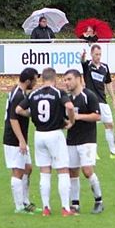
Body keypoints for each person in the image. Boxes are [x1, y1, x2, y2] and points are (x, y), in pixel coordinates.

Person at [16, 67, 76, 216]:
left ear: (42, 79)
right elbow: (69, 106)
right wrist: (71, 121)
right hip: (55, 134)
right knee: (62, 170)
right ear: (54, 79)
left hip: (39, 135)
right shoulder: (58, 93)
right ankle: (65, 208)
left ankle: (46, 208)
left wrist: (32, 115)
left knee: (44, 171)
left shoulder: (34, 94)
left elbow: (18, 110)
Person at [63, 69, 105, 214]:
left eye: (69, 79)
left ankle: (99, 200)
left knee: (87, 171)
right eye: (65, 80)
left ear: (78, 79)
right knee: (72, 172)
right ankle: (75, 204)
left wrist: (78, 117)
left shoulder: (89, 96)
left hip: (87, 139)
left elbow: (97, 116)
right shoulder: (68, 99)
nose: (66, 83)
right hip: (71, 140)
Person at [81, 44, 115, 159]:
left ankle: (113, 152)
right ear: (91, 54)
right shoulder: (88, 65)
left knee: (110, 125)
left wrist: (114, 99)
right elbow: (82, 62)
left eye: (100, 54)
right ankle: (92, 153)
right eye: (96, 54)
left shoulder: (104, 68)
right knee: (90, 127)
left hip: (102, 100)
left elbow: (108, 83)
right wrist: (82, 57)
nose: (98, 56)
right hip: (91, 101)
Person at [3, 67, 38, 214]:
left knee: (28, 168)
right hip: (14, 139)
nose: (36, 83)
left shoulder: (18, 91)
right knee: (18, 171)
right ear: (28, 81)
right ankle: (19, 207)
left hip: (19, 138)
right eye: (35, 80)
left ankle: (25, 201)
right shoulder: (18, 95)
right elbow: (13, 119)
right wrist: (21, 141)